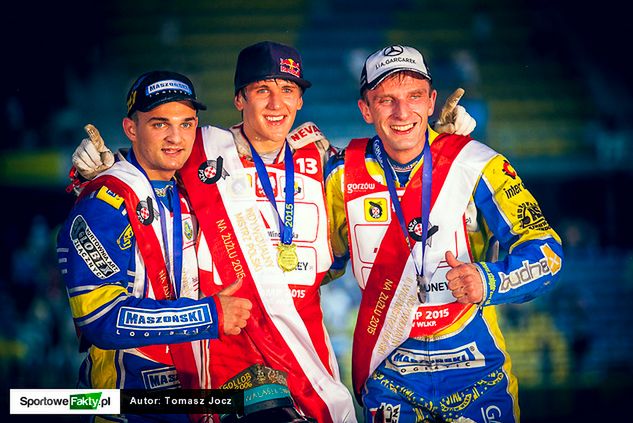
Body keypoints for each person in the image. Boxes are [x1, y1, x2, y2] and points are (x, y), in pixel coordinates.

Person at [69, 41, 476, 423]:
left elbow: (390, 180)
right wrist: (94, 175)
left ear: (300, 99)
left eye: (288, 89)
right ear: (239, 99)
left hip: (304, 351)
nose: (277, 103)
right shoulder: (203, 151)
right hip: (224, 350)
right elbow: (146, 174)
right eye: (262, 90)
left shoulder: (324, 160)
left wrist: (439, 146)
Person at [324, 45, 564, 422]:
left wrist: (490, 280)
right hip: (389, 376)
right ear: (365, 109)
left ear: (432, 100)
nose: (403, 113)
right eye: (386, 100)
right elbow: (316, 266)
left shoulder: (477, 163)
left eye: (414, 96)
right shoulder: (340, 174)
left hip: (479, 372)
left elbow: (548, 253)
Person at [57, 70, 252, 423]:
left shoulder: (191, 194)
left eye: (187, 124)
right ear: (131, 129)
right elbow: (99, 319)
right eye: (160, 124)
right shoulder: (103, 204)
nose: (176, 137)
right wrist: (208, 316)